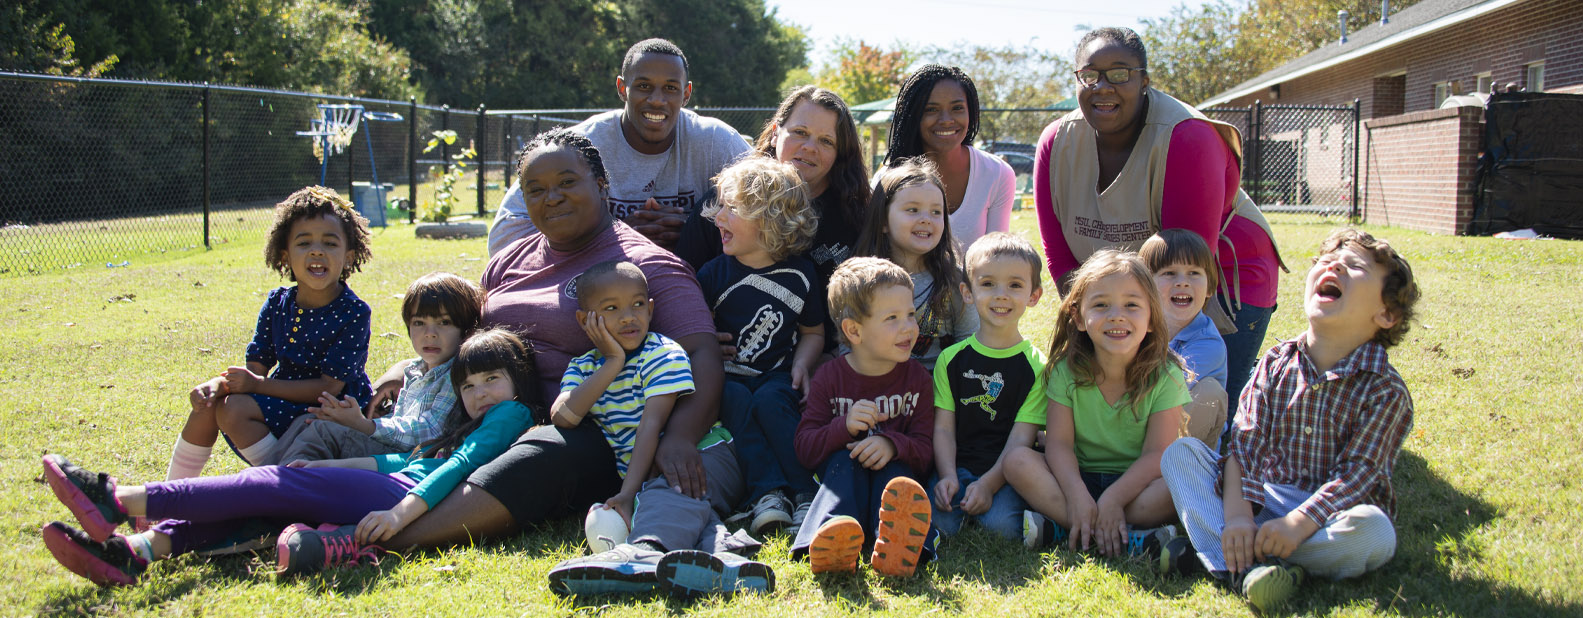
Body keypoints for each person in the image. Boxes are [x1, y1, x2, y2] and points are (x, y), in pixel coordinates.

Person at [361, 128, 726, 554]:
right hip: (487, 419)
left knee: (540, 453)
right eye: (535, 189)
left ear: (602, 185)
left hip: (585, 433)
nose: (551, 197)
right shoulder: (509, 261)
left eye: (567, 182)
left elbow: (701, 353)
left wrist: (680, 436)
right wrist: (401, 369)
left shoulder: (643, 266)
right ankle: (294, 499)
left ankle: (374, 542)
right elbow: (462, 335)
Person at [38, 329, 539, 586]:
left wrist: (399, 513)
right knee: (271, 506)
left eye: (490, 379)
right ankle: (138, 552)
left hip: (405, 500)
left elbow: (451, 469)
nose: (479, 393)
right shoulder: (468, 421)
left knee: (273, 487)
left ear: (517, 377)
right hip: (395, 484)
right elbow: (401, 463)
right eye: (469, 385)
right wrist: (328, 469)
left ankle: (120, 499)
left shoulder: (512, 415)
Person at [1161, 229, 1419, 611]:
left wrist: (1298, 524)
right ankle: (1245, 553)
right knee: (1182, 455)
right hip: (1259, 500)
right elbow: (1244, 444)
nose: (1333, 265)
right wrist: (1236, 518)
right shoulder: (1276, 362)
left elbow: (1358, 476)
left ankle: (1230, 560)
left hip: (1328, 516)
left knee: (1375, 532)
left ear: (1386, 314)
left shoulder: (1385, 390)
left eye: (1354, 265)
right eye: (1327, 261)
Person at [1032, 26, 1283, 405]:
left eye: (1120, 73)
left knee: (1199, 410)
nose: (1103, 86)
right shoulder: (1056, 142)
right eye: (1090, 75)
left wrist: (1128, 335)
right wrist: (1089, 324)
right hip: (1135, 286)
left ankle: (1254, 378)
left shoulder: (1188, 136)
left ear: (1145, 80)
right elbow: (1060, 256)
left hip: (1214, 275)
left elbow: (1184, 260)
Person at [544, 261, 769, 600]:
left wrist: (627, 493)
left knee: (666, 490)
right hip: (653, 475)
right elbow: (563, 417)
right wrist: (612, 363)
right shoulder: (584, 367)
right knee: (675, 501)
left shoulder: (662, 353)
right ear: (584, 320)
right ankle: (724, 561)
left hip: (705, 454)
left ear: (651, 309)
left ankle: (644, 552)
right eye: (611, 308)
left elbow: (652, 426)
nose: (628, 316)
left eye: (637, 304)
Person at [166, 186, 374, 478]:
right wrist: (218, 385)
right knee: (219, 405)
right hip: (284, 404)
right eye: (304, 243)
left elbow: (328, 388)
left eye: (330, 243)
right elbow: (255, 370)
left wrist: (256, 385)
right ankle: (170, 495)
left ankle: (280, 485)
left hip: (330, 416)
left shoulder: (353, 312)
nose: (317, 250)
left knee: (238, 409)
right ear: (285, 255)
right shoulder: (277, 303)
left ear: (349, 256)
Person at [1001, 250, 1189, 566]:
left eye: (1132, 305)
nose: (1117, 315)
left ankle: (1072, 529)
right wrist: (1077, 494)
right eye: (1101, 305)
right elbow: (1059, 446)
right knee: (1017, 461)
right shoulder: (1066, 371)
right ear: (1078, 317)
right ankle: (1124, 536)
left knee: (1181, 483)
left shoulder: (1166, 375)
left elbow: (1157, 455)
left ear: (1152, 319)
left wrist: (1114, 498)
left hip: (1137, 487)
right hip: (1079, 479)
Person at [489, 38, 750, 254]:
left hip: (696, 279)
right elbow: (504, 237)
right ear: (622, 88)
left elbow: (772, 205)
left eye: (670, 88)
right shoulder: (579, 146)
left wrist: (697, 231)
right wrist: (614, 235)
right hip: (600, 287)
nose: (657, 100)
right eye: (643, 86)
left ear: (686, 93)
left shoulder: (716, 140)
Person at [678, 85, 872, 356]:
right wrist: (699, 333)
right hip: (733, 364)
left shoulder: (857, 215)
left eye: (826, 141)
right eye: (800, 133)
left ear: (841, 153)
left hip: (823, 364)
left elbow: (870, 300)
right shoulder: (726, 200)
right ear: (774, 133)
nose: (809, 148)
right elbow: (680, 280)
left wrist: (833, 361)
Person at [694, 157, 825, 538]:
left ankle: (805, 494)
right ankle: (766, 494)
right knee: (735, 401)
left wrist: (803, 364)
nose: (717, 217)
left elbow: (813, 331)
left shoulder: (801, 275)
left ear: (770, 219)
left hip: (776, 375)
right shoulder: (712, 274)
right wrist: (704, 349)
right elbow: (693, 332)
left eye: (731, 209)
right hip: (726, 378)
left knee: (773, 404)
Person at [792, 257, 936, 577]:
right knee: (844, 464)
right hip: (843, 480)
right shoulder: (830, 378)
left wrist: (892, 444)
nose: (909, 327)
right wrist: (842, 427)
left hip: (894, 484)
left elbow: (927, 450)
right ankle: (832, 537)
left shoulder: (918, 381)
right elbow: (805, 447)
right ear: (854, 331)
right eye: (892, 318)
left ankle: (899, 545)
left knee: (897, 475)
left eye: (911, 314)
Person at [260, 272, 485, 465]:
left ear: (466, 329)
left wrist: (365, 425)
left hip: (408, 460)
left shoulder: (456, 375)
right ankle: (260, 481)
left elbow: (429, 431)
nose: (430, 333)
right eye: (419, 323)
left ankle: (280, 494)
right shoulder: (416, 370)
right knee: (307, 422)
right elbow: (402, 417)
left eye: (444, 322)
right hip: (389, 445)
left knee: (323, 432)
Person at [930, 233, 1048, 542]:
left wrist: (988, 485)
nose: (1001, 295)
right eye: (988, 284)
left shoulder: (1038, 367)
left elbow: (1022, 438)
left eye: (1015, 285)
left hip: (1007, 474)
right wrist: (947, 476)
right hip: (957, 466)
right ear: (967, 293)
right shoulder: (951, 359)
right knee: (941, 524)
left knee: (1002, 529)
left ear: (1034, 296)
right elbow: (943, 429)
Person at [854, 157, 977, 371]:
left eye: (936, 212)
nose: (926, 219)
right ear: (883, 221)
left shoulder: (955, 280)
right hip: (878, 391)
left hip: (939, 392)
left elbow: (969, 343)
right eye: (913, 210)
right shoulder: (860, 280)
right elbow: (849, 346)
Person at [882, 65, 1016, 247]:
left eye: (957, 108)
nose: (946, 120)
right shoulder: (886, 180)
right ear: (912, 116)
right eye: (931, 109)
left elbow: (997, 257)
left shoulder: (997, 173)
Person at [1140, 230, 1230, 449]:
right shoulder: (1134, 326)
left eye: (1193, 273)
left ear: (1209, 287)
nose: (1182, 282)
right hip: (1133, 427)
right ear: (1144, 285)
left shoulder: (1209, 343)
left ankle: (1170, 474)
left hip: (1182, 445)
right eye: (1170, 273)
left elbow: (1166, 390)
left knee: (1208, 392)